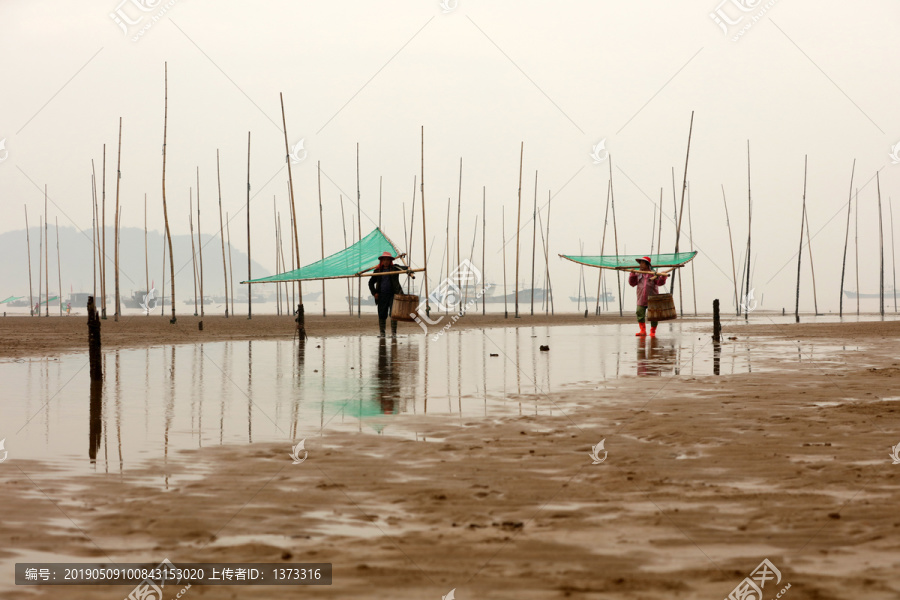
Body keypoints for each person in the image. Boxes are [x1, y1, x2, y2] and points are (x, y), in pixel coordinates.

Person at [628, 256, 668, 337]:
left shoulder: (654, 274)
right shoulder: (637, 273)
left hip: (652, 298)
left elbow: (660, 283)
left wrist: (663, 276)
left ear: (647, 264)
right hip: (641, 298)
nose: (640, 264)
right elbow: (632, 283)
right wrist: (632, 274)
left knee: (654, 316)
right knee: (639, 312)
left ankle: (652, 331)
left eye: (642, 263)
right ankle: (642, 330)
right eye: (640, 263)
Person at [368, 252, 405, 337]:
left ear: (390, 261)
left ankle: (394, 333)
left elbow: (404, 268)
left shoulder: (394, 268)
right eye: (384, 260)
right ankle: (382, 333)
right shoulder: (377, 271)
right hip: (381, 296)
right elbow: (370, 283)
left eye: (388, 260)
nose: (386, 261)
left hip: (393, 295)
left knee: (393, 314)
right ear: (382, 261)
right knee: (382, 314)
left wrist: (408, 269)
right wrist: (374, 293)